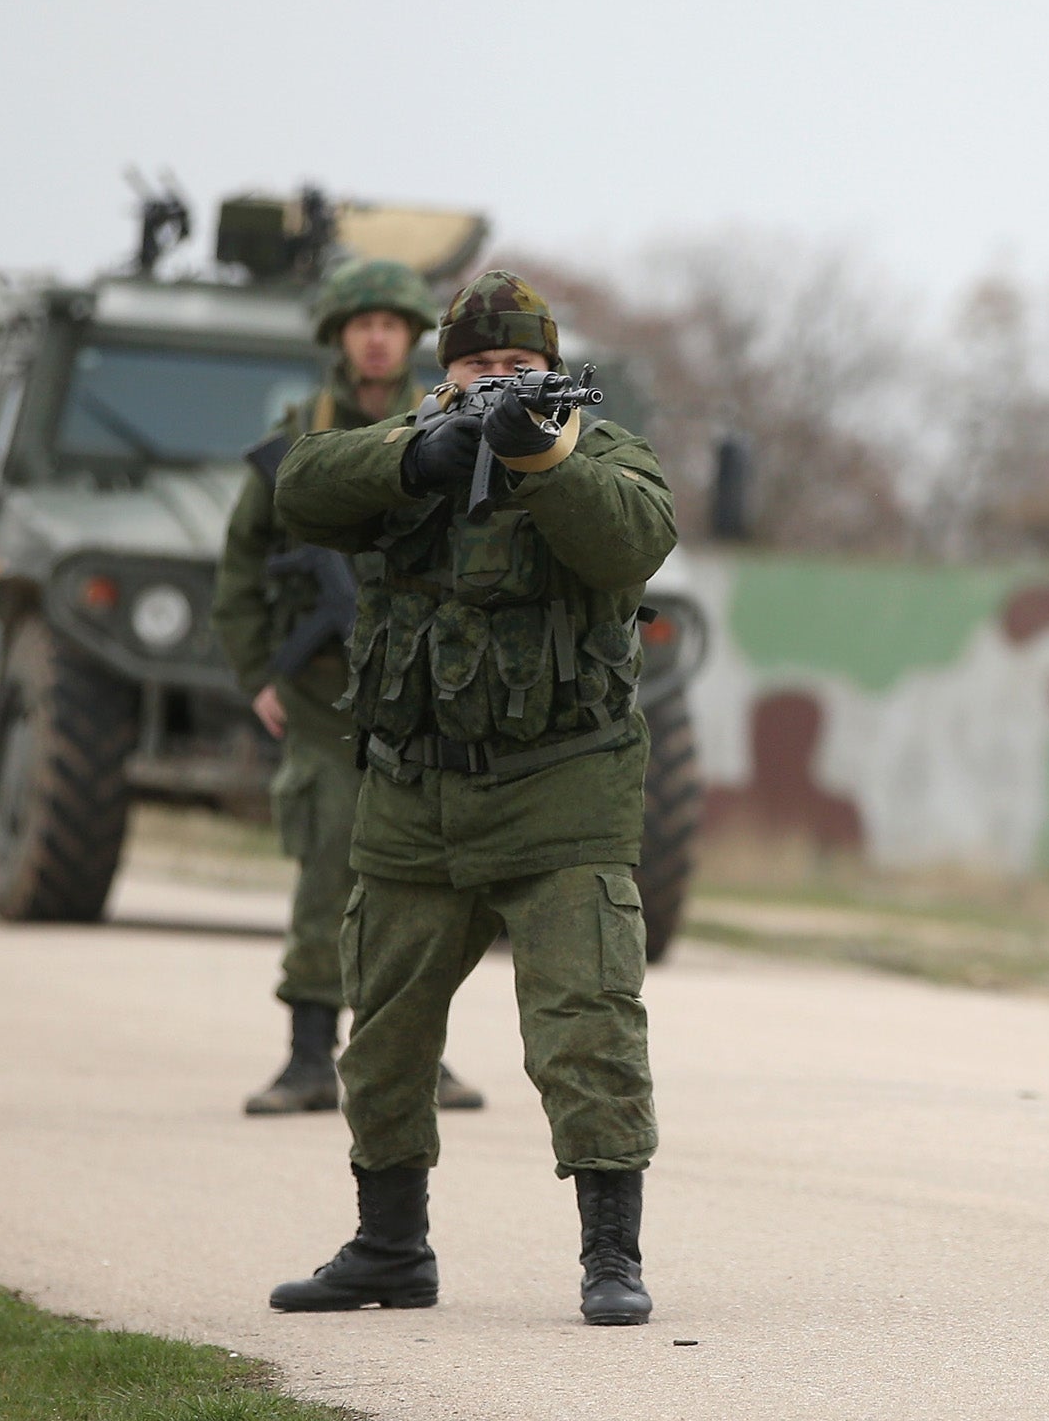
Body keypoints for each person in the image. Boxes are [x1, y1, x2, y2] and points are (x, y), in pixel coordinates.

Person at [265, 269, 675, 1325]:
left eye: (518, 367)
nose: (498, 382)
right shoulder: (405, 446)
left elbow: (631, 538)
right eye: (477, 370)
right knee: (385, 1036)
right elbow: (297, 489)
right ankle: (389, 1248)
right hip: (411, 795)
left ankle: (610, 1256)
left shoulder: (602, 452)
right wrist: (419, 454)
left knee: (586, 1029)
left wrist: (540, 456)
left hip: (562, 794)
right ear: (440, 375)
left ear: (552, 370)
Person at [213, 258, 485, 1117]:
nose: (376, 338)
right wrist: (260, 670)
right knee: (330, 858)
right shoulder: (302, 433)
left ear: (411, 338)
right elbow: (240, 565)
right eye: (361, 324)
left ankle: (411, 1052)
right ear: (341, 337)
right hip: (324, 691)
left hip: (420, 692)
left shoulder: (448, 422)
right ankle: (306, 1056)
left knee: (423, 877)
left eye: (392, 324)